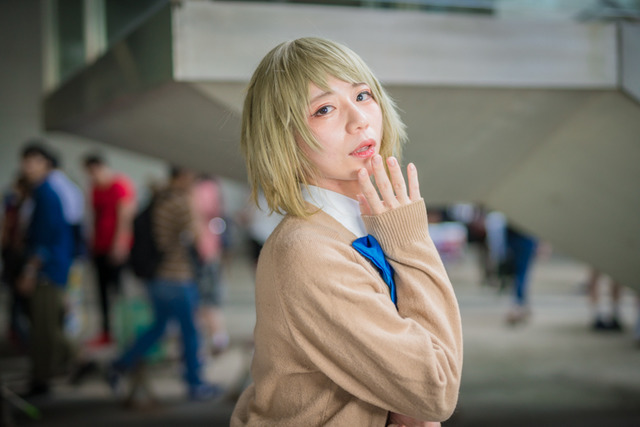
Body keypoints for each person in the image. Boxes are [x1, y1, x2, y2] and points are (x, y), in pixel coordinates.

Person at [231, 38, 463, 426]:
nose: (360, 120)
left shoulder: (357, 227)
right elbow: (434, 388)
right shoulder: (307, 251)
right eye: (324, 109)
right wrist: (412, 241)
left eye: (363, 95)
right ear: (283, 138)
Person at [108, 167, 221, 401]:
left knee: (159, 326)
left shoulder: (159, 197)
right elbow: (199, 239)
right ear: (184, 176)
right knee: (190, 331)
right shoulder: (181, 201)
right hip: (177, 277)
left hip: (156, 277)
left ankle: (120, 364)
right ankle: (195, 383)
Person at [17, 144, 75, 396]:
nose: (27, 167)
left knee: (45, 327)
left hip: (48, 270)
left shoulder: (47, 193)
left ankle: (46, 376)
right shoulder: (41, 192)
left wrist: (30, 271)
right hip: (50, 267)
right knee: (49, 324)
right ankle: (75, 362)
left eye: (33, 161)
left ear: (46, 164)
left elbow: (45, 239)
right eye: (25, 161)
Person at [83, 154, 136, 346]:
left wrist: (120, 243)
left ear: (102, 167)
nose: (92, 176)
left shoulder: (120, 185)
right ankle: (106, 332)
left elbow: (126, 216)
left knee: (120, 292)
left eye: (94, 171)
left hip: (116, 248)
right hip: (99, 247)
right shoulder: (95, 189)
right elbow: (93, 217)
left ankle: (126, 331)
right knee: (102, 292)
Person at [191, 175, 229, 354]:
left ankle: (214, 339)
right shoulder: (215, 185)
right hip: (212, 250)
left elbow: (199, 216)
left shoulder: (202, 187)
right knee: (210, 298)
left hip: (203, 252)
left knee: (204, 300)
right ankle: (217, 338)